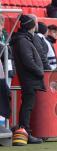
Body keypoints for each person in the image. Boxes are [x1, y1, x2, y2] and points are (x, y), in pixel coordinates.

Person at [11, 15, 45, 144]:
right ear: (32, 25)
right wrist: (40, 72)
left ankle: (24, 132)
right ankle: (25, 132)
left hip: (29, 78)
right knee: (27, 106)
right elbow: (28, 61)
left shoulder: (23, 39)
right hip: (29, 79)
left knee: (27, 105)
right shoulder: (23, 41)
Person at [0, 14, 16, 87]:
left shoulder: (6, 35)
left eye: (1, 24)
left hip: (8, 69)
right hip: (1, 70)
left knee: (6, 93)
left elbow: (11, 53)